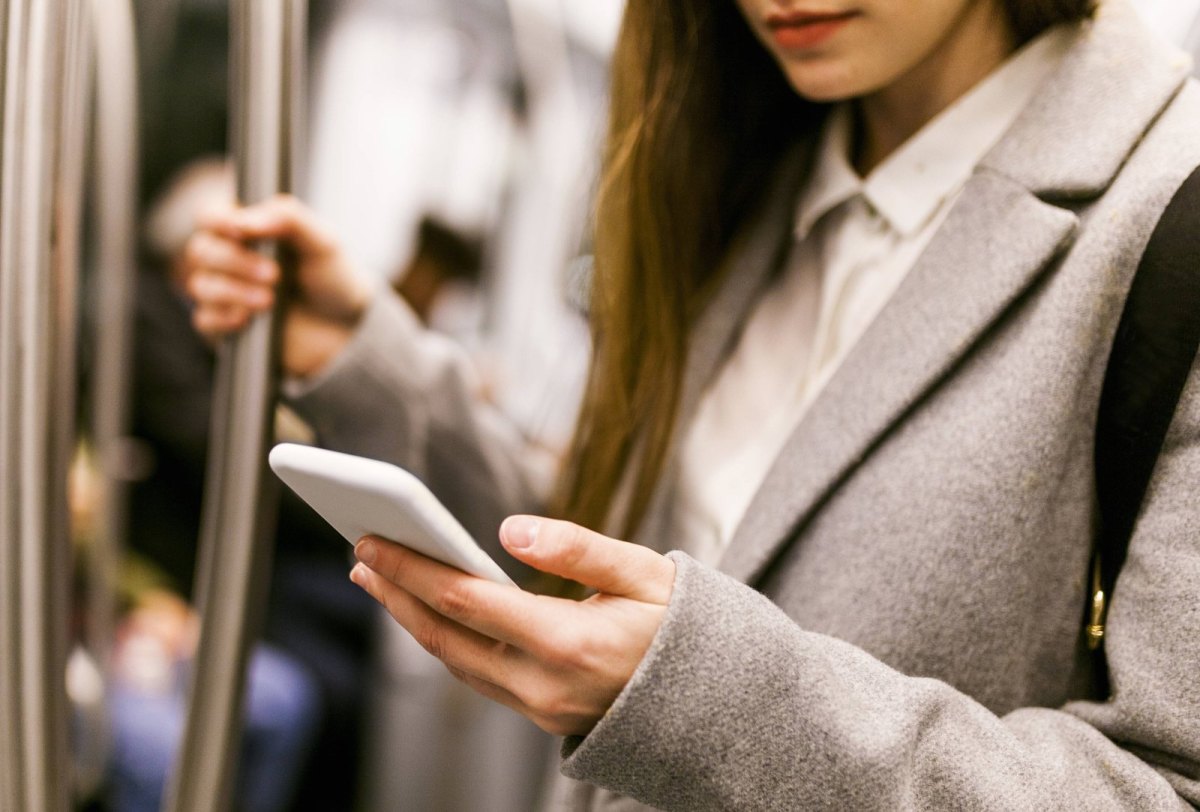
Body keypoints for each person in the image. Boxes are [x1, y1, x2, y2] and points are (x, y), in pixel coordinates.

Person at [183, 0, 1200, 808]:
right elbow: (647, 547)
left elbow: (1168, 785)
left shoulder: (1163, 219)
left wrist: (707, 692)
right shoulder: (748, 167)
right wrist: (372, 361)